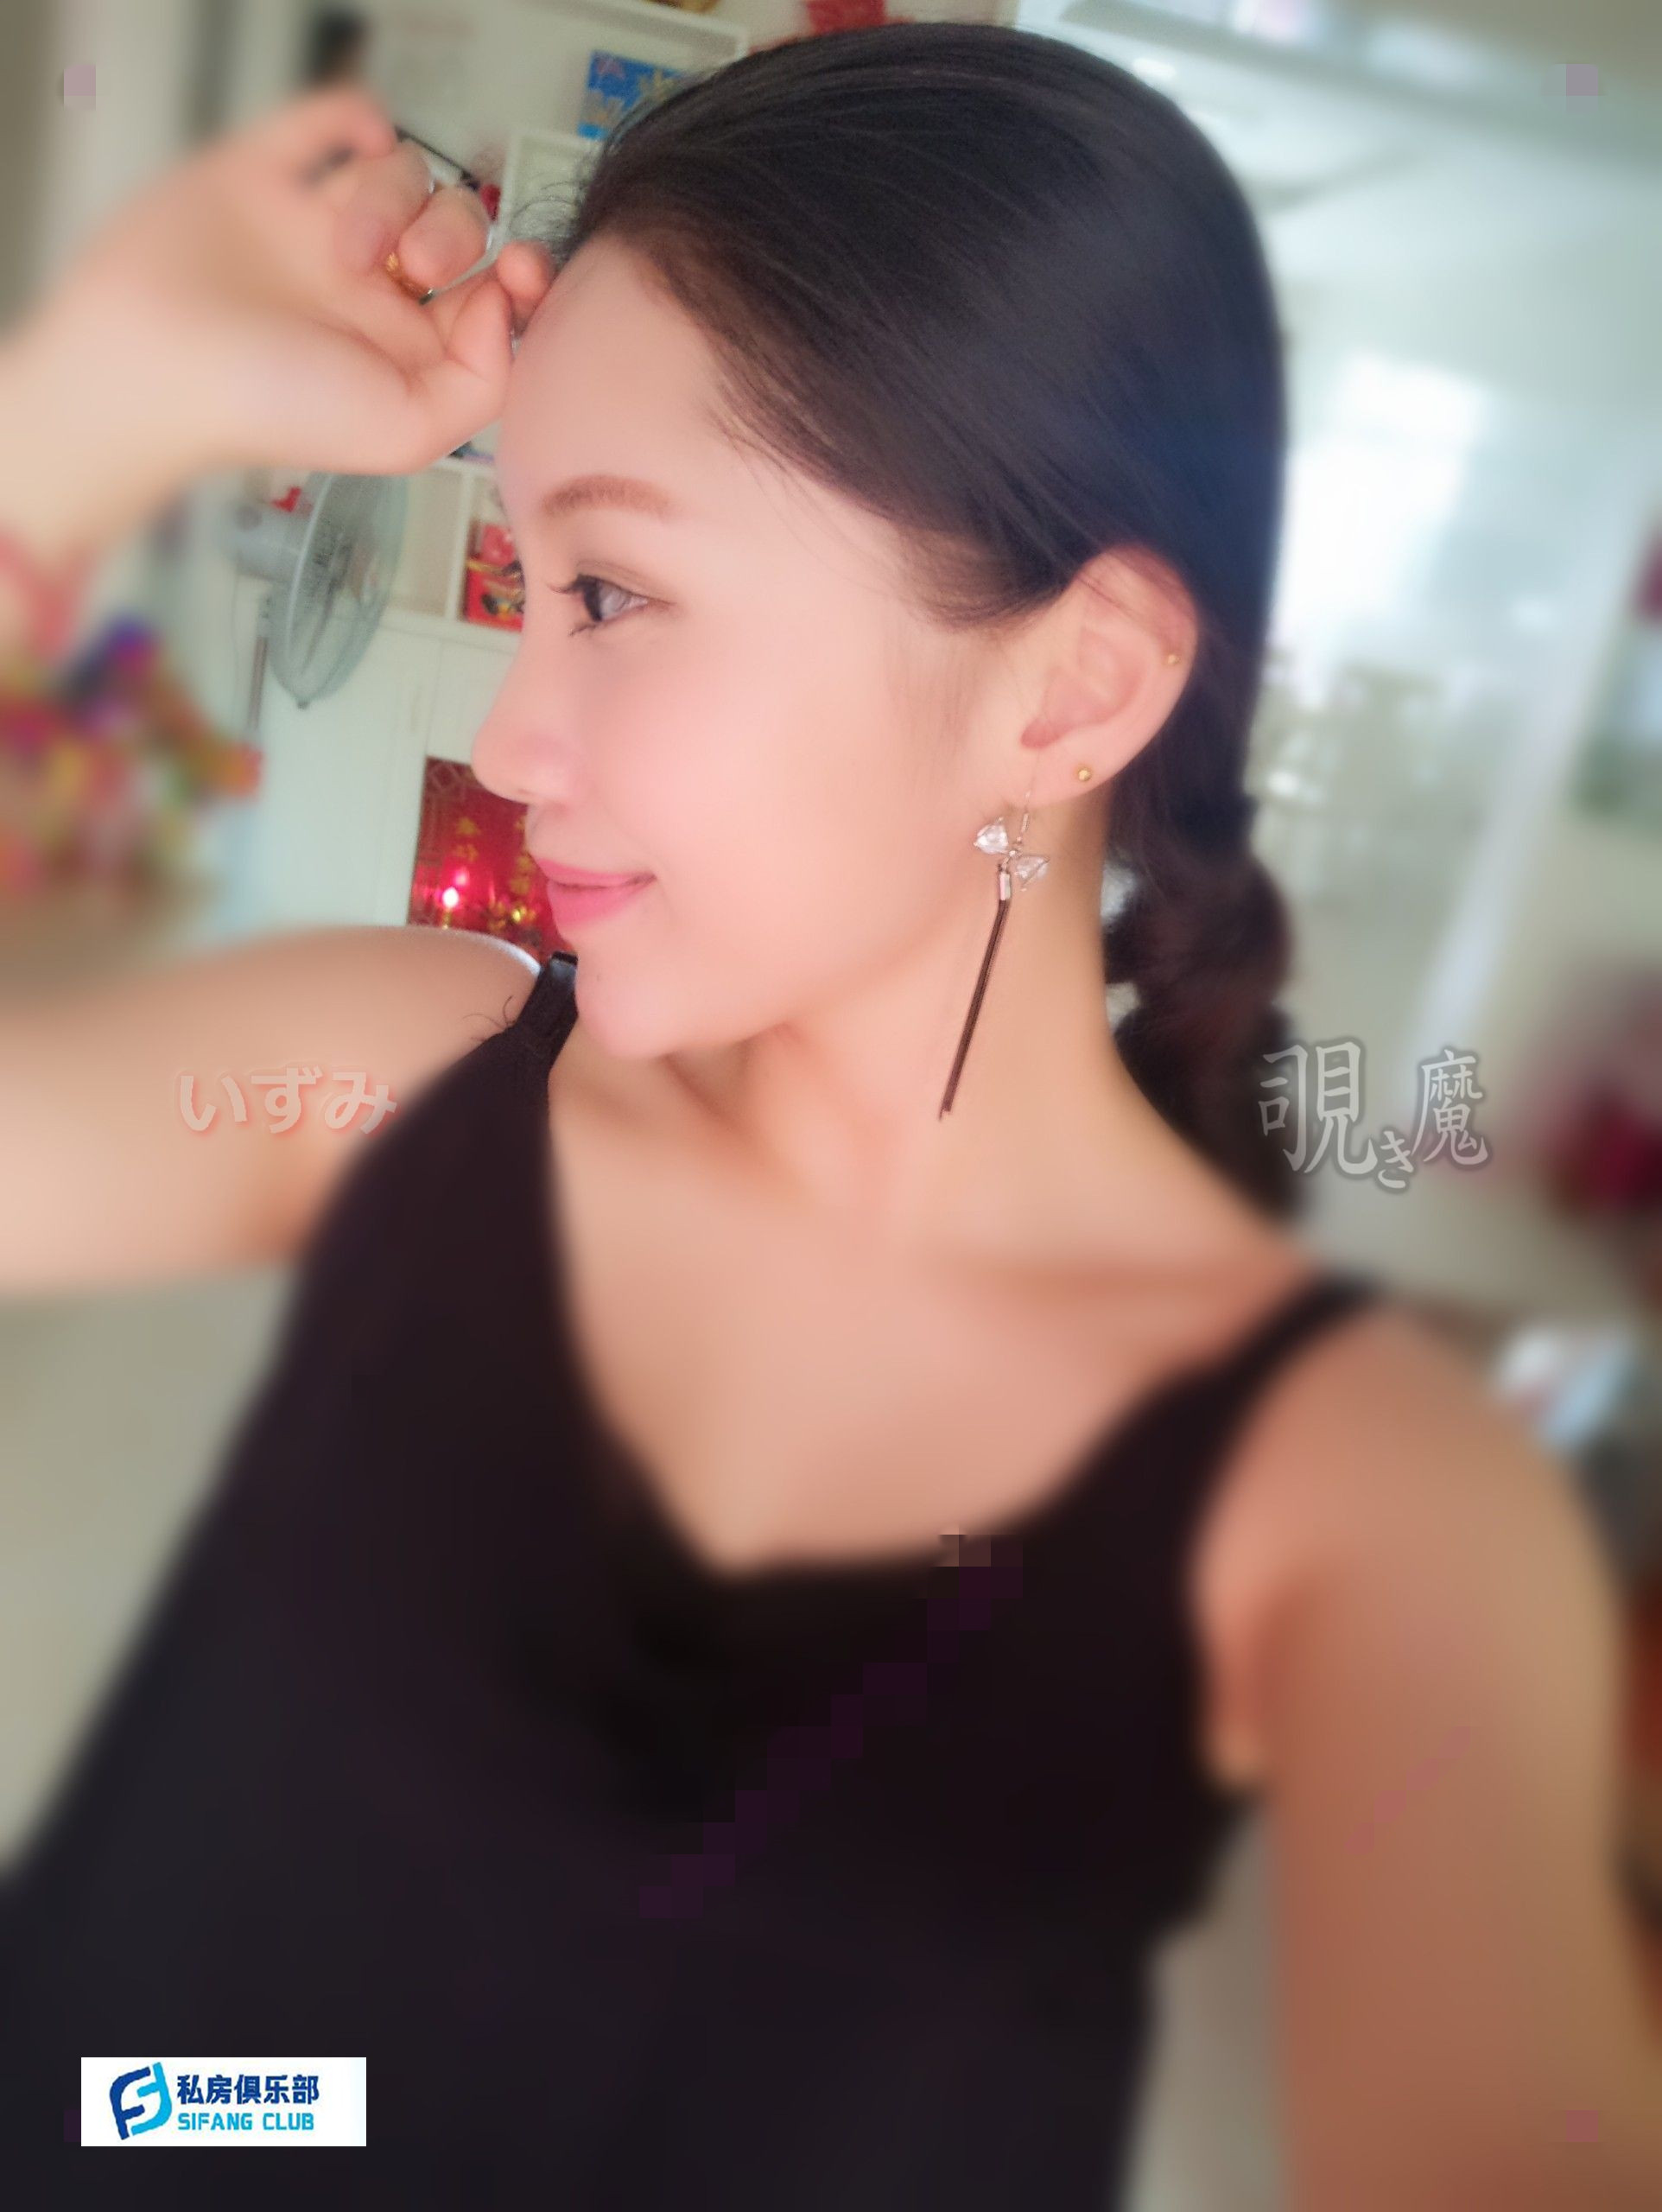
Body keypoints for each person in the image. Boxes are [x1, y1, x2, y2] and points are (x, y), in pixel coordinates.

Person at [1, 27, 1659, 2208]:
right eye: (527, 585)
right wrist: (77, 414)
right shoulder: (396, 1077)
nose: (510, 739)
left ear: (1067, 689)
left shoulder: (1356, 1507)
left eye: (610, 592)